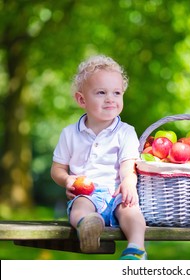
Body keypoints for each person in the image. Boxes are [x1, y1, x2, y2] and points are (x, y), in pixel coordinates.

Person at [51, 55, 147, 260]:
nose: (110, 98)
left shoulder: (125, 132)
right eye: (101, 93)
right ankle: (88, 225)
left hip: (116, 193)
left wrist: (129, 183)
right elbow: (57, 168)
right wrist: (67, 179)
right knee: (80, 206)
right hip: (87, 193)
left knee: (131, 211)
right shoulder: (70, 134)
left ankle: (136, 248)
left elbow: (128, 165)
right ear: (81, 99)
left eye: (117, 93)